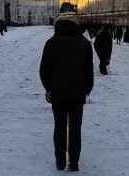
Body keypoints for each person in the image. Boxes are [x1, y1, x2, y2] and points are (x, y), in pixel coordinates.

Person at [39, 10, 94, 172]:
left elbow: (44, 70)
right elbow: (88, 72)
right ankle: (74, 162)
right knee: (75, 128)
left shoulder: (51, 43)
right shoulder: (84, 44)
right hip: (77, 94)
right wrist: (86, 90)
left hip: (57, 93)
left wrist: (49, 88)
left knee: (60, 126)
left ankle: (60, 161)